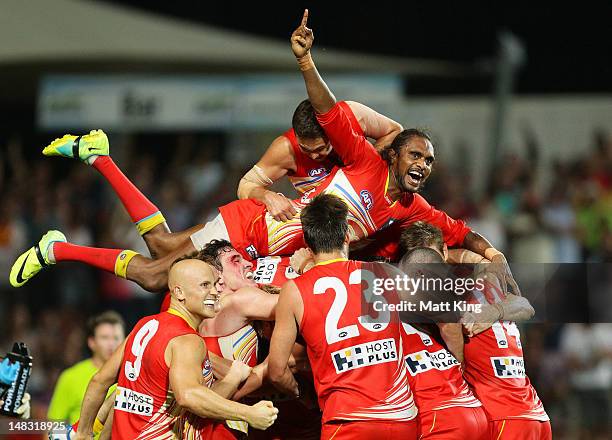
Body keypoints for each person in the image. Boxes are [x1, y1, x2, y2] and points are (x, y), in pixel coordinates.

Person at [73, 257, 278, 440]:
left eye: (215, 284)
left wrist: (83, 433)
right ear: (179, 292)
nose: (214, 292)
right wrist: (248, 414)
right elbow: (188, 396)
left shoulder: (144, 325)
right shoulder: (187, 340)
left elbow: (100, 380)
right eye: (205, 285)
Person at [268, 193, 418, 439]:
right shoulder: (385, 273)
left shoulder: (294, 291)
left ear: (307, 240)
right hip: (400, 418)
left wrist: (300, 394)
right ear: (347, 234)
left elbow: (276, 370)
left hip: (347, 420)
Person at [400, 221, 551, 439]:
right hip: (533, 414)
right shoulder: (483, 283)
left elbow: (450, 327)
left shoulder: (449, 293)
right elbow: (526, 306)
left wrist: (457, 370)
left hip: (500, 417)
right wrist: (496, 309)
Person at [237, 99, 403, 221]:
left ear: (333, 132)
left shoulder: (352, 115)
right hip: (329, 227)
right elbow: (245, 184)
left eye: (321, 149)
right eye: (306, 149)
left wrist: (366, 164)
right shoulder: (286, 148)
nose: (315, 156)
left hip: (376, 213)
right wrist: (267, 196)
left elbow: (395, 131)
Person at [47, 311, 125, 425]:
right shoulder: (70, 377)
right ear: (91, 342)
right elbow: (53, 425)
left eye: (116, 338)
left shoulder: (132, 375)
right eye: (105, 338)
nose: (111, 344)